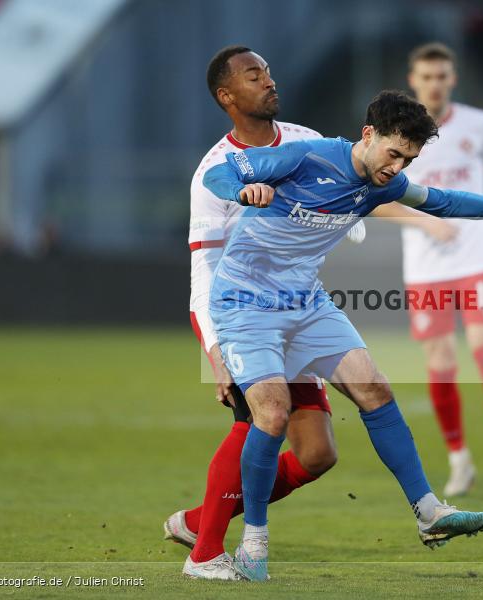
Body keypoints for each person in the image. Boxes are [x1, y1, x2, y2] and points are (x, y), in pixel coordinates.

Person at [204, 89, 483, 581]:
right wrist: (242, 191)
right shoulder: (307, 156)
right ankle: (254, 540)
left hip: (305, 302)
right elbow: (219, 173)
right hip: (245, 301)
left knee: (375, 388)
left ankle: (429, 512)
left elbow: (444, 202)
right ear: (368, 134)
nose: (398, 167)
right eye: (394, 153)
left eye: (409, 159)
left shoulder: (386, 184)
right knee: (272, 415)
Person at [163, 45, 358, 581]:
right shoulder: (213, 173)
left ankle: (197, 522)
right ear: (227, 96)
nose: (269, 82)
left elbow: (350, 184)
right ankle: (205, 553)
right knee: (258, 421)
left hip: (297, 310)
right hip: (244, 319)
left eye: (268, 72)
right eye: (254, 76)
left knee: (317, 454)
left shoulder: (306, 142)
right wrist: (215, 352)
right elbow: (204, 271)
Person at [372, 42, 483, 496]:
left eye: (441, 76)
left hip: (476, 259)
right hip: (426, 268)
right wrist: (425, 223)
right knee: (439, 364)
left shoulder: (478, 124)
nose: (435, 84)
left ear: (452, 78)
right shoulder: (396, 137)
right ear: (413, 80)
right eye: (426, 77)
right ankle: (459, 460)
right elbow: (374, 200)